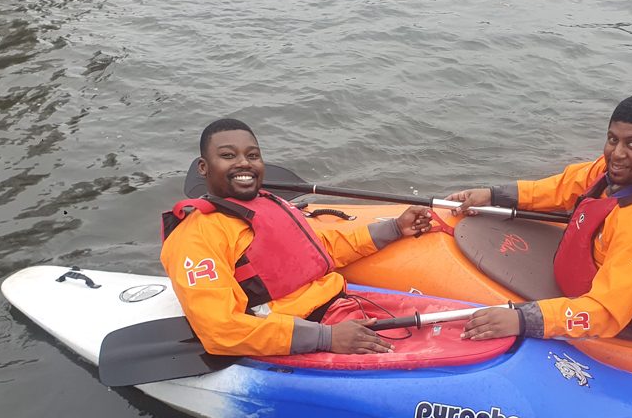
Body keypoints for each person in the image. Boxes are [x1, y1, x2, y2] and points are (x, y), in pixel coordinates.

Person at [446, 94, 632, 341]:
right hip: (603, 268)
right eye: (612, 139)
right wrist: (493, 195)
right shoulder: (620, 170)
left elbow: (606, 311)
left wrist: (523, 320)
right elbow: (565, 187)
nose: (617, 153)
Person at [160, 118, 432, 356]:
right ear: (204, 168)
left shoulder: (268, 203)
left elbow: (319, 250)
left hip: (341, 304)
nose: (244, 162)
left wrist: (394, 228)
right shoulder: (195, 237)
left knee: (459, 327)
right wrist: (325, 337)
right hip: (303, 333)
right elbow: (219, 329)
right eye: (228, 156)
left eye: (253, 155)